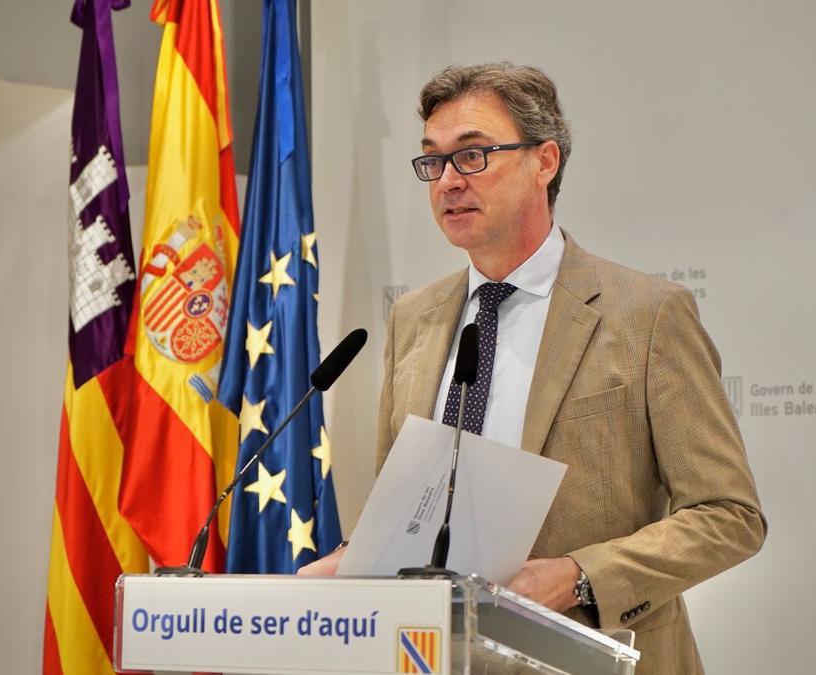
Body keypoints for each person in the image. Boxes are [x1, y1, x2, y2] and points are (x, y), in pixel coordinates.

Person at [300, 62, 766, 675]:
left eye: (472, 156)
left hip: (594, 656)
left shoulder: (647, 314)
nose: (446, 182)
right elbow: (407, 500)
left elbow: (728, 516)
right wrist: (355, 556)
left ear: (544, 161)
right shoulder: (412, 319)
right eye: (432, 162)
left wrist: (579, 577)